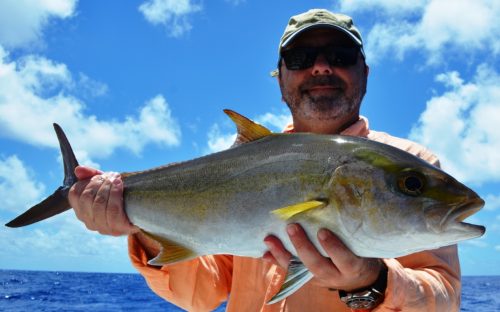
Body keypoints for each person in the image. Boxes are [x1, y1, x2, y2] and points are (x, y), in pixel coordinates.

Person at [69, 9, 461, 312]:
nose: (321, 66)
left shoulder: (412, 162)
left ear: (365, 73)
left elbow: (444, 299)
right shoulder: (239, 166)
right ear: (280, 79)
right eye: (301, 57)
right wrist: (142, 227)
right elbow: (201, 294)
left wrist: (372, 282)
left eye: (340, 55)